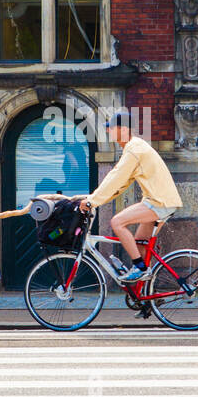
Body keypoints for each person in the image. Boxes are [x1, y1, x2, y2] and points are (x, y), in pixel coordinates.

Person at [78, 111, 182, 286]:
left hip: (159, 202)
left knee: (117, 222)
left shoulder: (134, 150)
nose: (109, 131)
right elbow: (121, 184)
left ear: (124, 129)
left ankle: (140, 268)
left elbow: (115, 177)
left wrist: (92, 201)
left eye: (111, 128)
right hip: (158, 201)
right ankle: (146, 299)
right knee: (139, 246)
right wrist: (94, 198)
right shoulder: (135, 147)